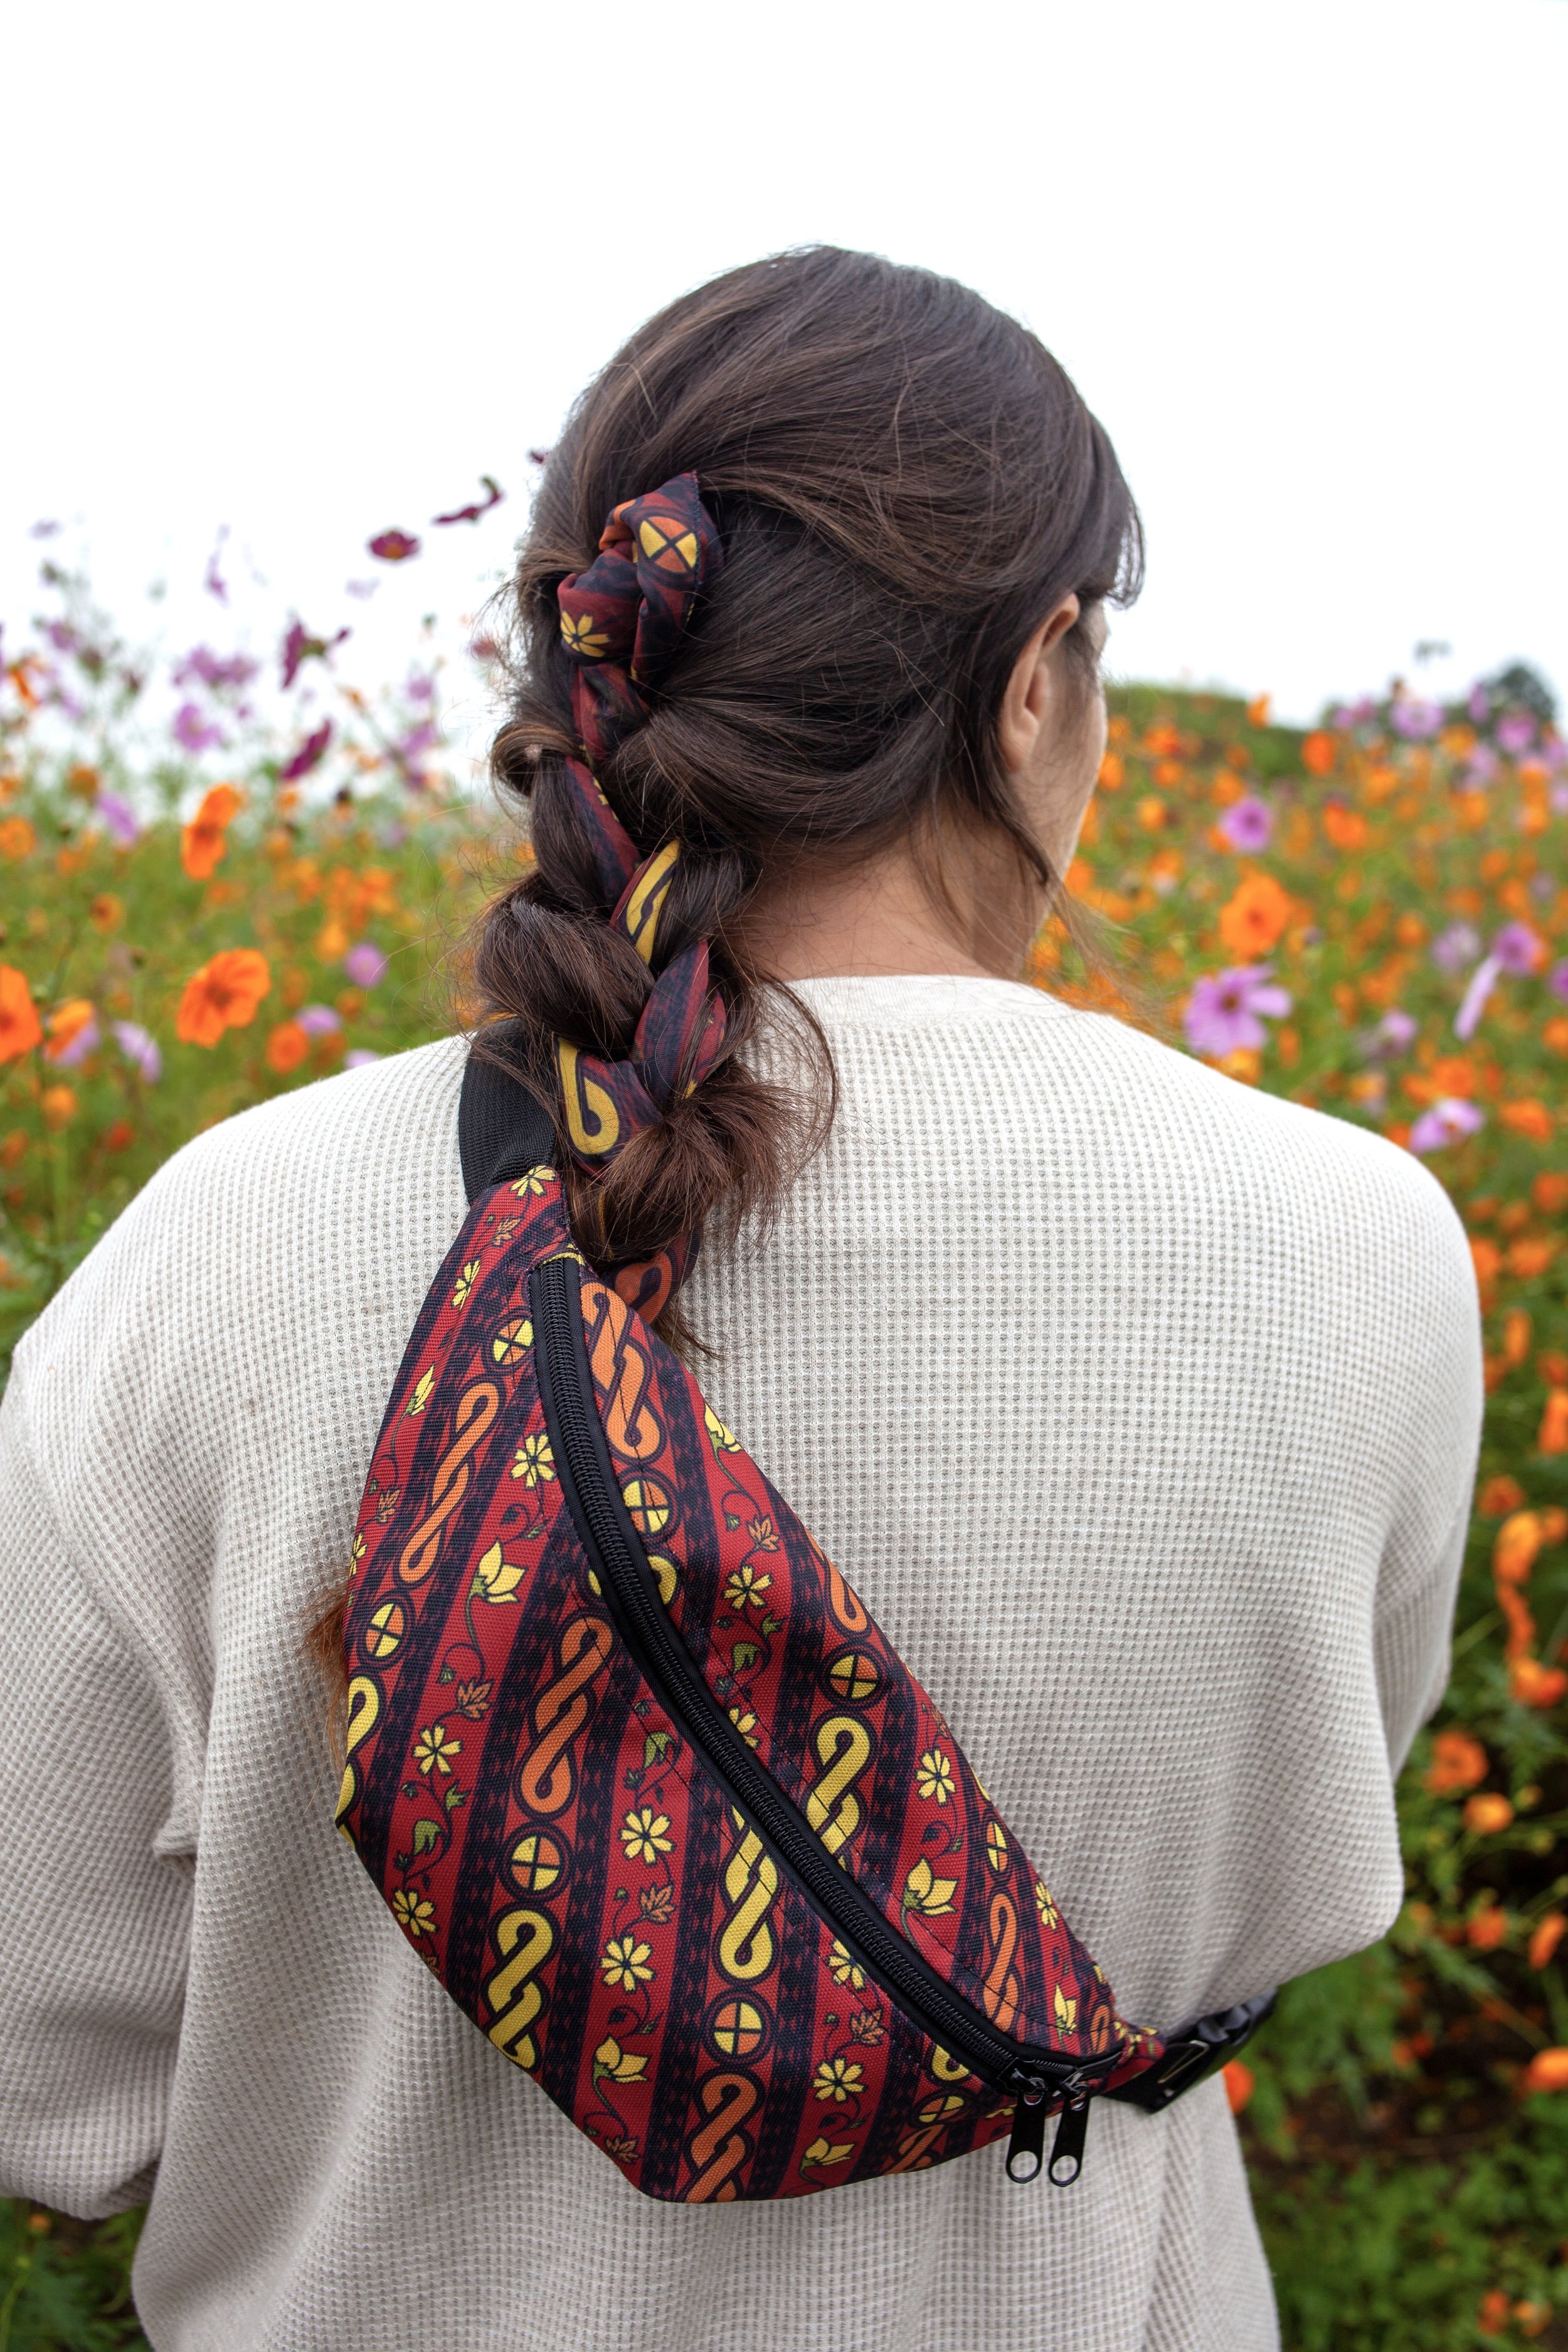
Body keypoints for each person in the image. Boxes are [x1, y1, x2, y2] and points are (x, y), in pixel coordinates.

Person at [0, 246, 1481, 2351]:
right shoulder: (1358, 1249)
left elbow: (42, 2065)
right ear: (1039, 673)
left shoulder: (227, 1241)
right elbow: (1306, 1825)